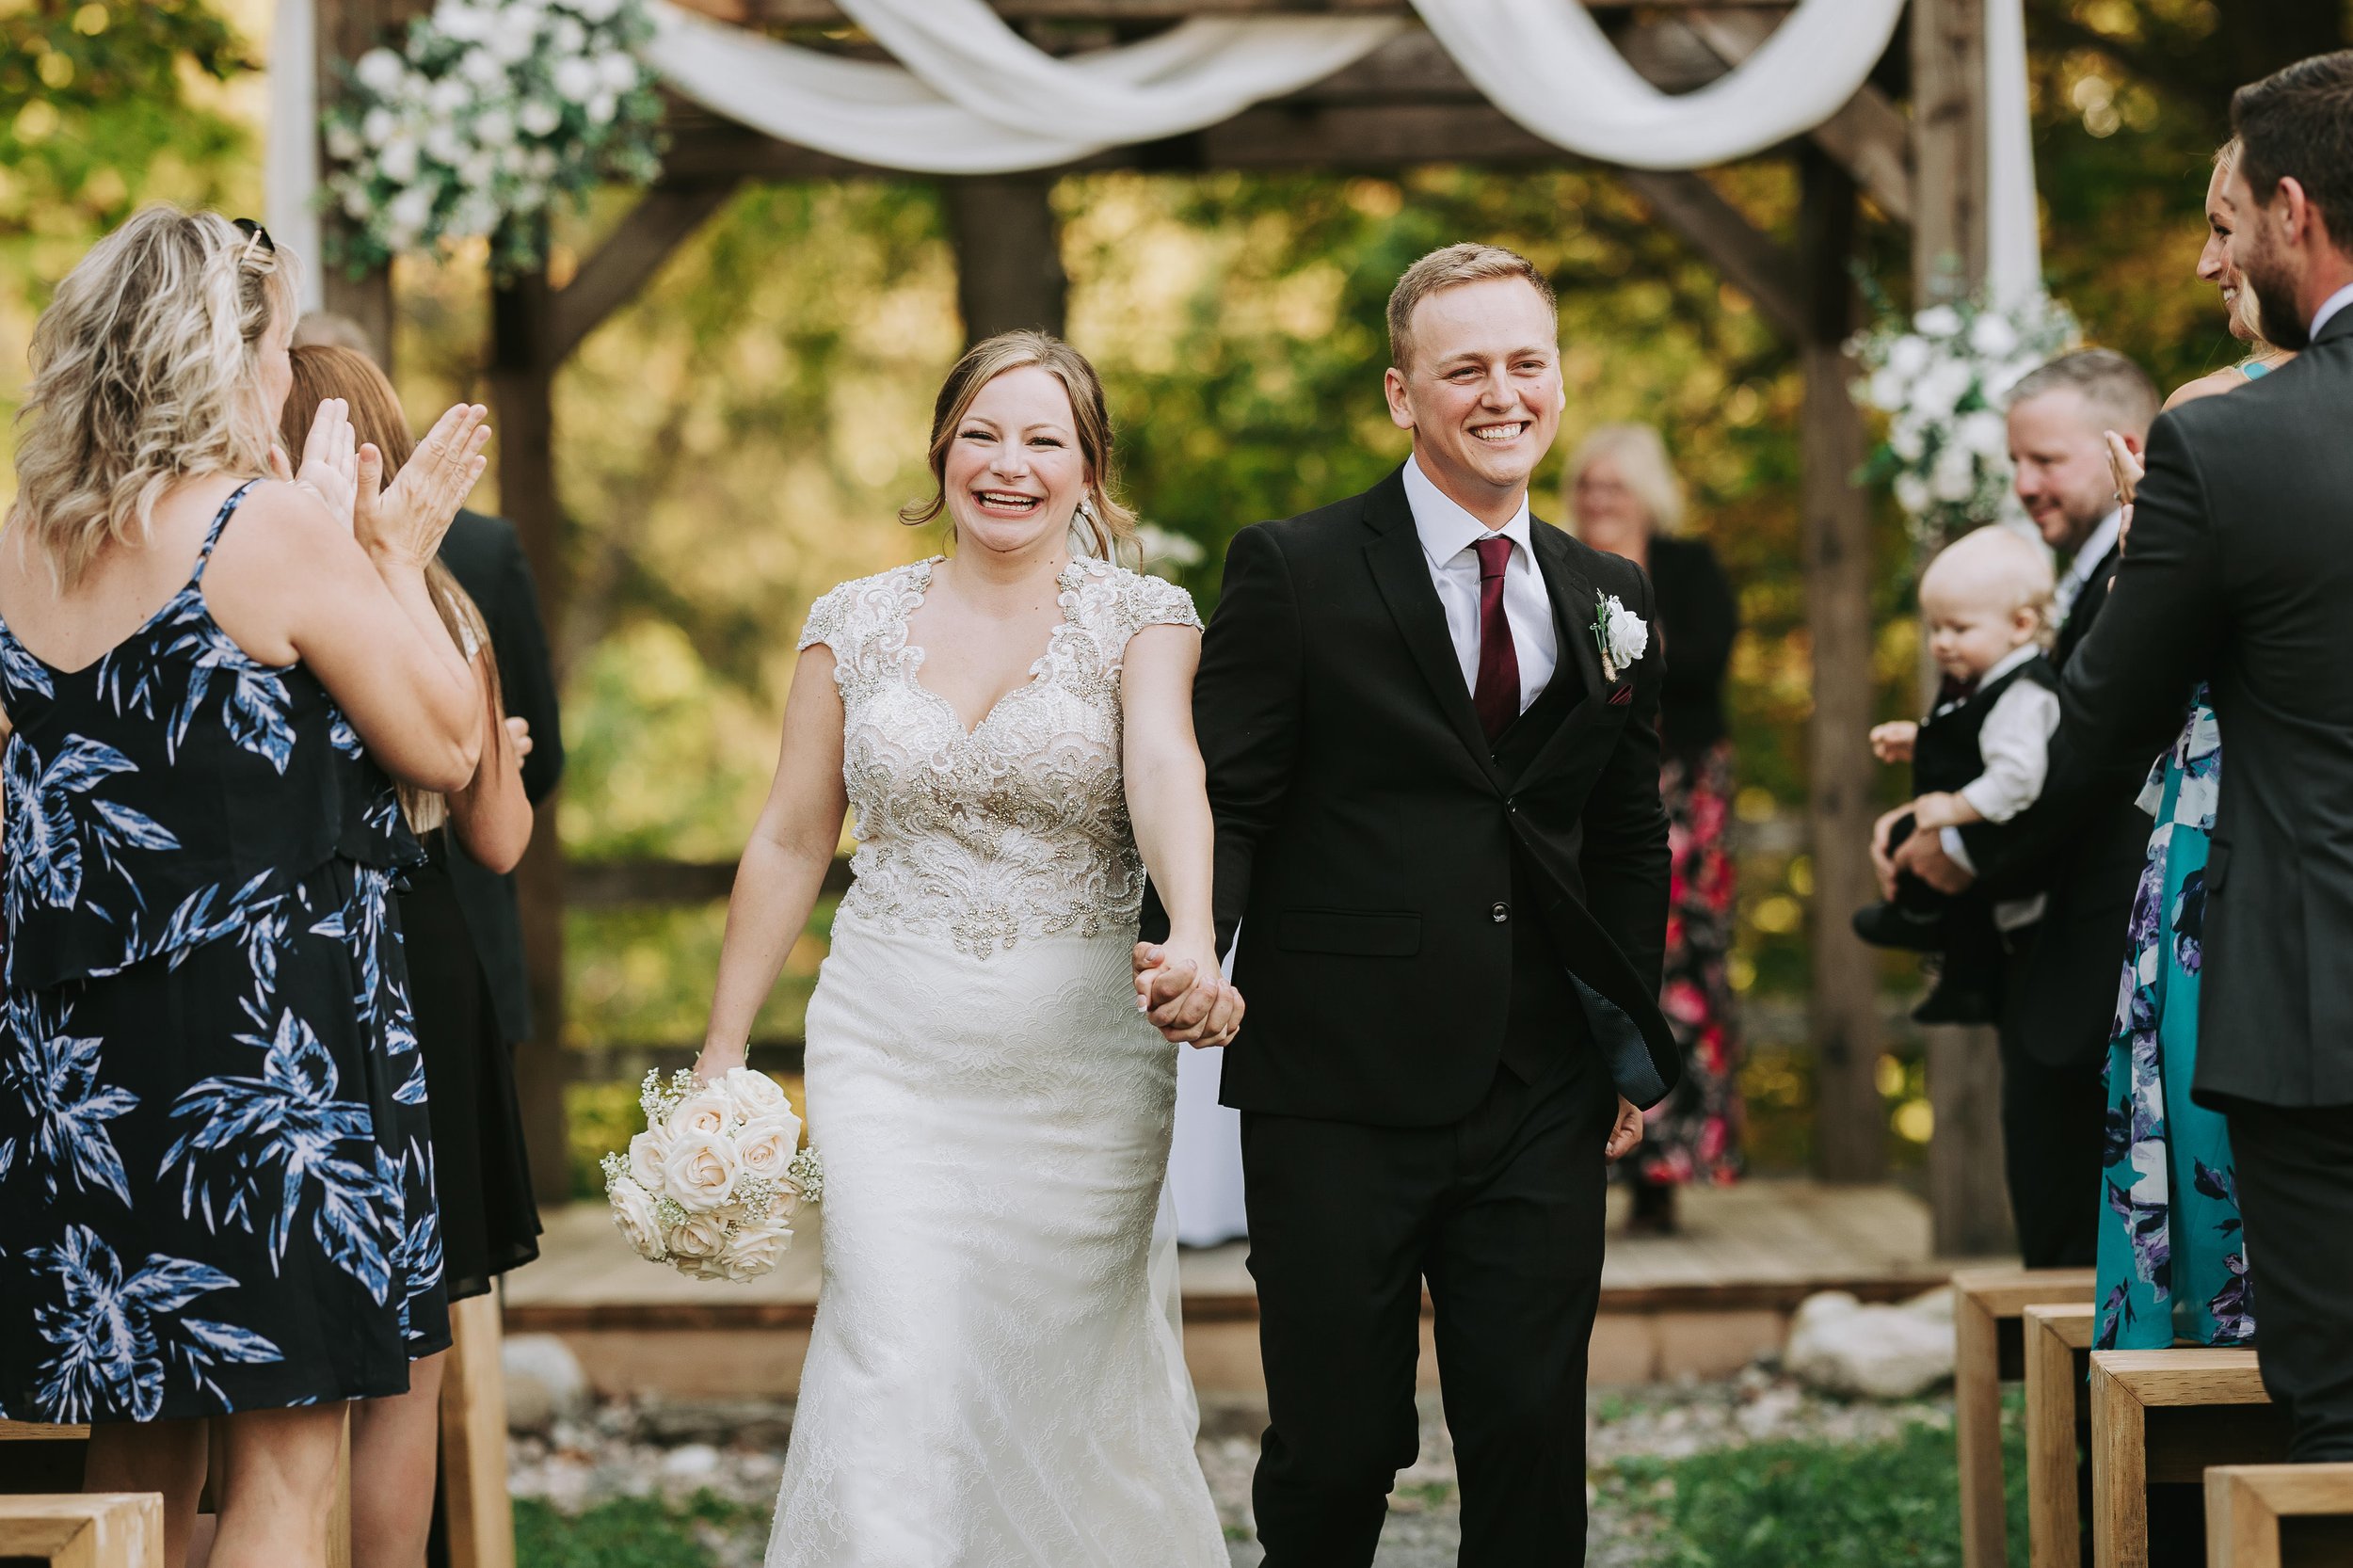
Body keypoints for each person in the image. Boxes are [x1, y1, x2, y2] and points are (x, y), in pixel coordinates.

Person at [1140, 243, 1669, 1565]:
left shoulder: (1613, 597)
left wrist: (1624, 1039)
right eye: (1466, 367)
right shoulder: (1298, 569)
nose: (1504, 392)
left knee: (1533, 1438)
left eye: (1527, 362)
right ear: (1401, 393)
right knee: (1333, 1445)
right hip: (1336, 1082)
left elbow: (1625, 830)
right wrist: (1194, 943)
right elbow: (1235, 800)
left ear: (1558, 378)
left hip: (1542, 1076)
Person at [693, 330, 1237, 1562]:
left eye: (1045, 439)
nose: (1009, 463)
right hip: (889, 1045)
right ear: (942, 450)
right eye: (983, 433)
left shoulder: (1145, 619)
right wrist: (726, 1049)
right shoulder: (852, 621)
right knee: (893, 1356)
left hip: (1083, 1067)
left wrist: (1194, 928)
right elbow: (790, 837)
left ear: (1089, 472)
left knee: (1066, 1370)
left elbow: (1166, 766)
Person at [0, 208, 491, 1566]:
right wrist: (387, 553)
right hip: (262, 1050)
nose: (284, 377)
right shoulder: (262, 527)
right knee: (287, 1473)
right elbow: (448, 744)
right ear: (225, 359)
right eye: (275, 347)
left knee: (135, 1464)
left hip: (81, 1067)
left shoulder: (17, 542)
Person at [2031, 51, 2353, 1461]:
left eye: (2231, 226)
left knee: (2335, 1420)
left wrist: (2172, 548)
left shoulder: (2227, 447)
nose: (2216, 255)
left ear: (2294, 210)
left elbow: (2099, 724)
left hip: (2318, 997)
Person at [277, 344, 547, 1568]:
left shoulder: (235, 589)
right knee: (410, 1348)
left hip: (295, 967)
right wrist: (501, 749)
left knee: (275, 1359)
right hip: (426, 967)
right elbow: (498, 836)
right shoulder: (444, 606)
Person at [1882, 347, 2159, 1269]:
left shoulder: (2133, 571)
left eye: (2046, 460)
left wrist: (1957, 852)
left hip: (2097, 937)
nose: (2024, 484)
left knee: (2076, 1223)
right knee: (2052, 1209)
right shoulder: (2060, 581)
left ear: (2120, 447)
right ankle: (2063, 1412)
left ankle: (2087, 1414)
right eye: (2014, 462)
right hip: (2048, 941)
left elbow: (2083, 760)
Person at [2089, 138, 2294, 1357]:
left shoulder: (2207, 424)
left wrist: (2140, 558)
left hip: (2228, 857)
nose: (2203, 261)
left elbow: (2132, 692)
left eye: (2223, 227)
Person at [1566, 422, 1742, 1231]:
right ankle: (1585, 1151)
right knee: (1594, 954)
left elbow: (1707, 660)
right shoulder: (1557, 565)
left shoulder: (1686, 568)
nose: (1598, 501)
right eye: (1588, 487)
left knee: (1679, 964)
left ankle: (1668, 1168)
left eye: (1615, 487)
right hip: (1590, 785)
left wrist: (1632, 630)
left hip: (1682, 784)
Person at [1857, 527, 2059, 1028]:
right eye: (1935, 628)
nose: (1941, 644)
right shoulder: (1987, 679)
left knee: (1923, 848)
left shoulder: (2024, 694)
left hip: (2005, 846)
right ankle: (1934, 941)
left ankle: (1922, 921)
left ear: (2020, 625)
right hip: (1980, 839)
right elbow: (1972, 740)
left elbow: (2017, 776)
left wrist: (1952, 810)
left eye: (1959, 629)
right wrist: (1919, 740)